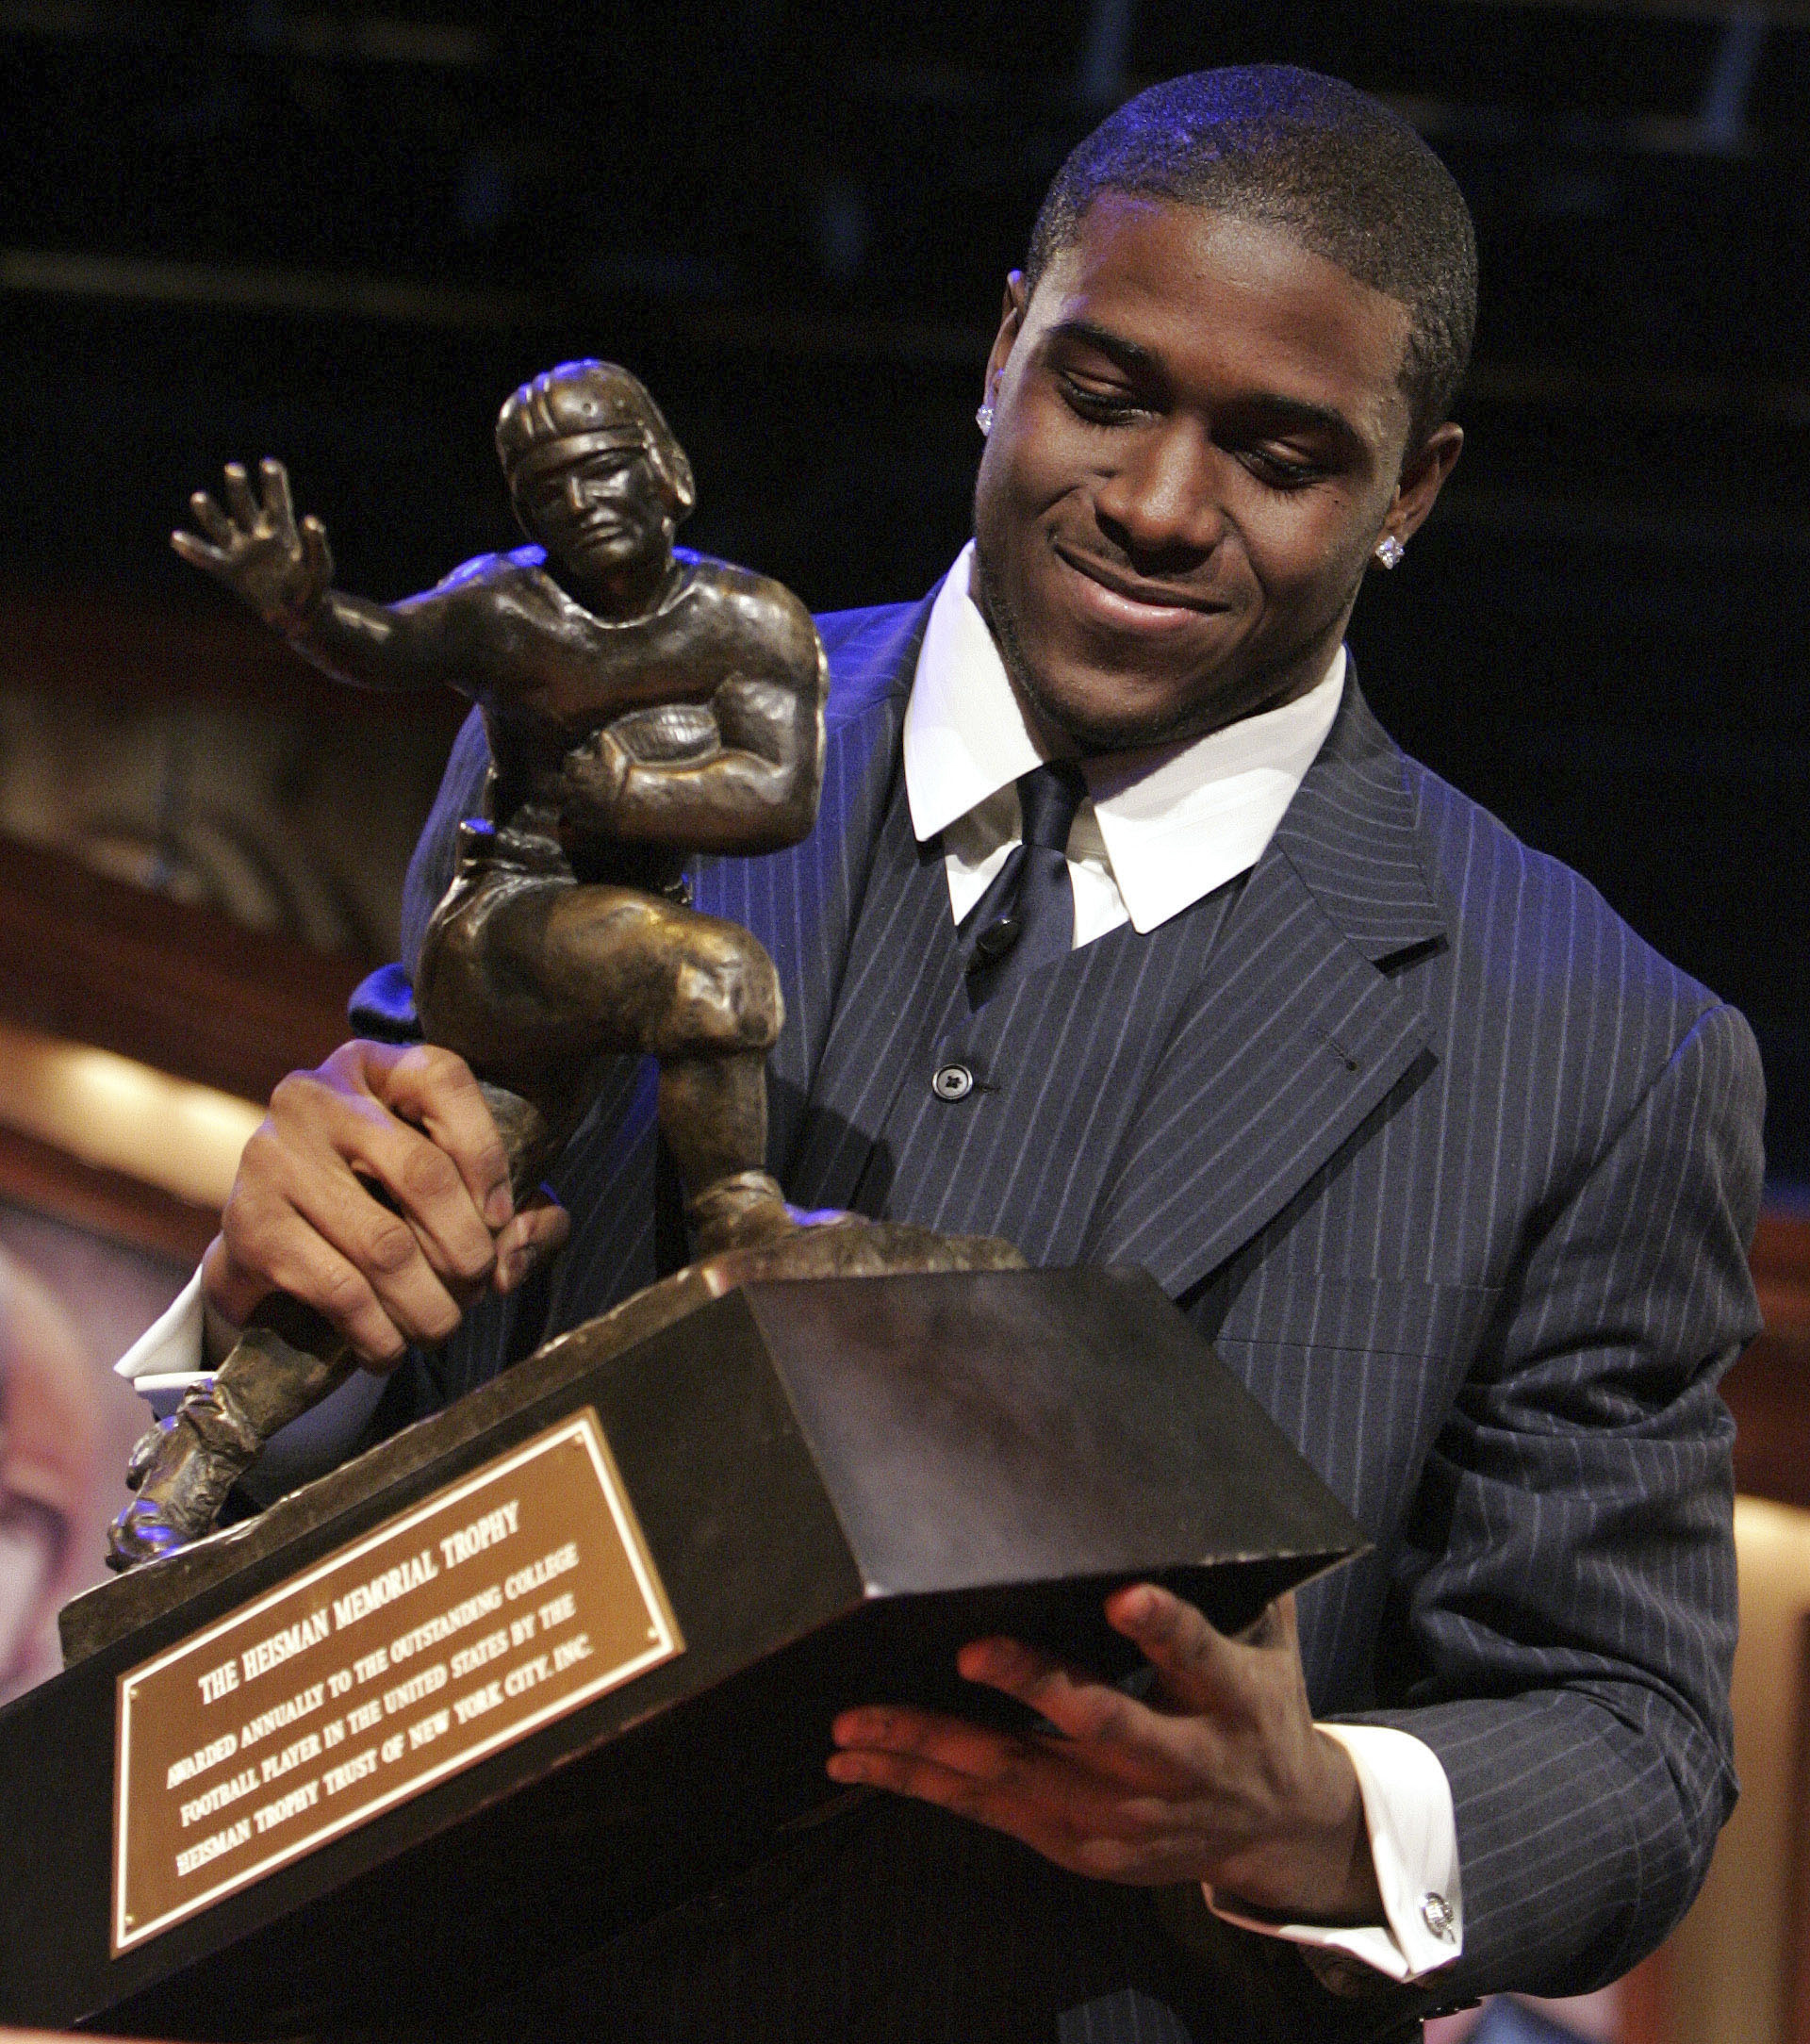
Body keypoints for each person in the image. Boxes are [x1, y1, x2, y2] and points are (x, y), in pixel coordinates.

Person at [123, 65, 1763, 2042]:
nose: (1159, 505)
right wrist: (269, 1292)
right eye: (1106, 390)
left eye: (1282, 450)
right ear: (1003, 350)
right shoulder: (599, 764)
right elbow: (376, 1379)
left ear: (1411, 492)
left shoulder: (1601, 1047)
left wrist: (1313, 1808)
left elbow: (1633, 1742)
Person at [172, 361, 829, 1255]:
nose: (581, 504)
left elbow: (781, 794)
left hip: (616, 938)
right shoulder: (509, 608)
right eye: (546, 490)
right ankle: (737, 1222)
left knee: (433, 1218)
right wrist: (306, 611)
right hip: (502, 926)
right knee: (716, 974)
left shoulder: (750, 622)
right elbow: (393, 642)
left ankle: (235, 1396)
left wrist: (637, 796)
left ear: (668, 470)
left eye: (601, 469)